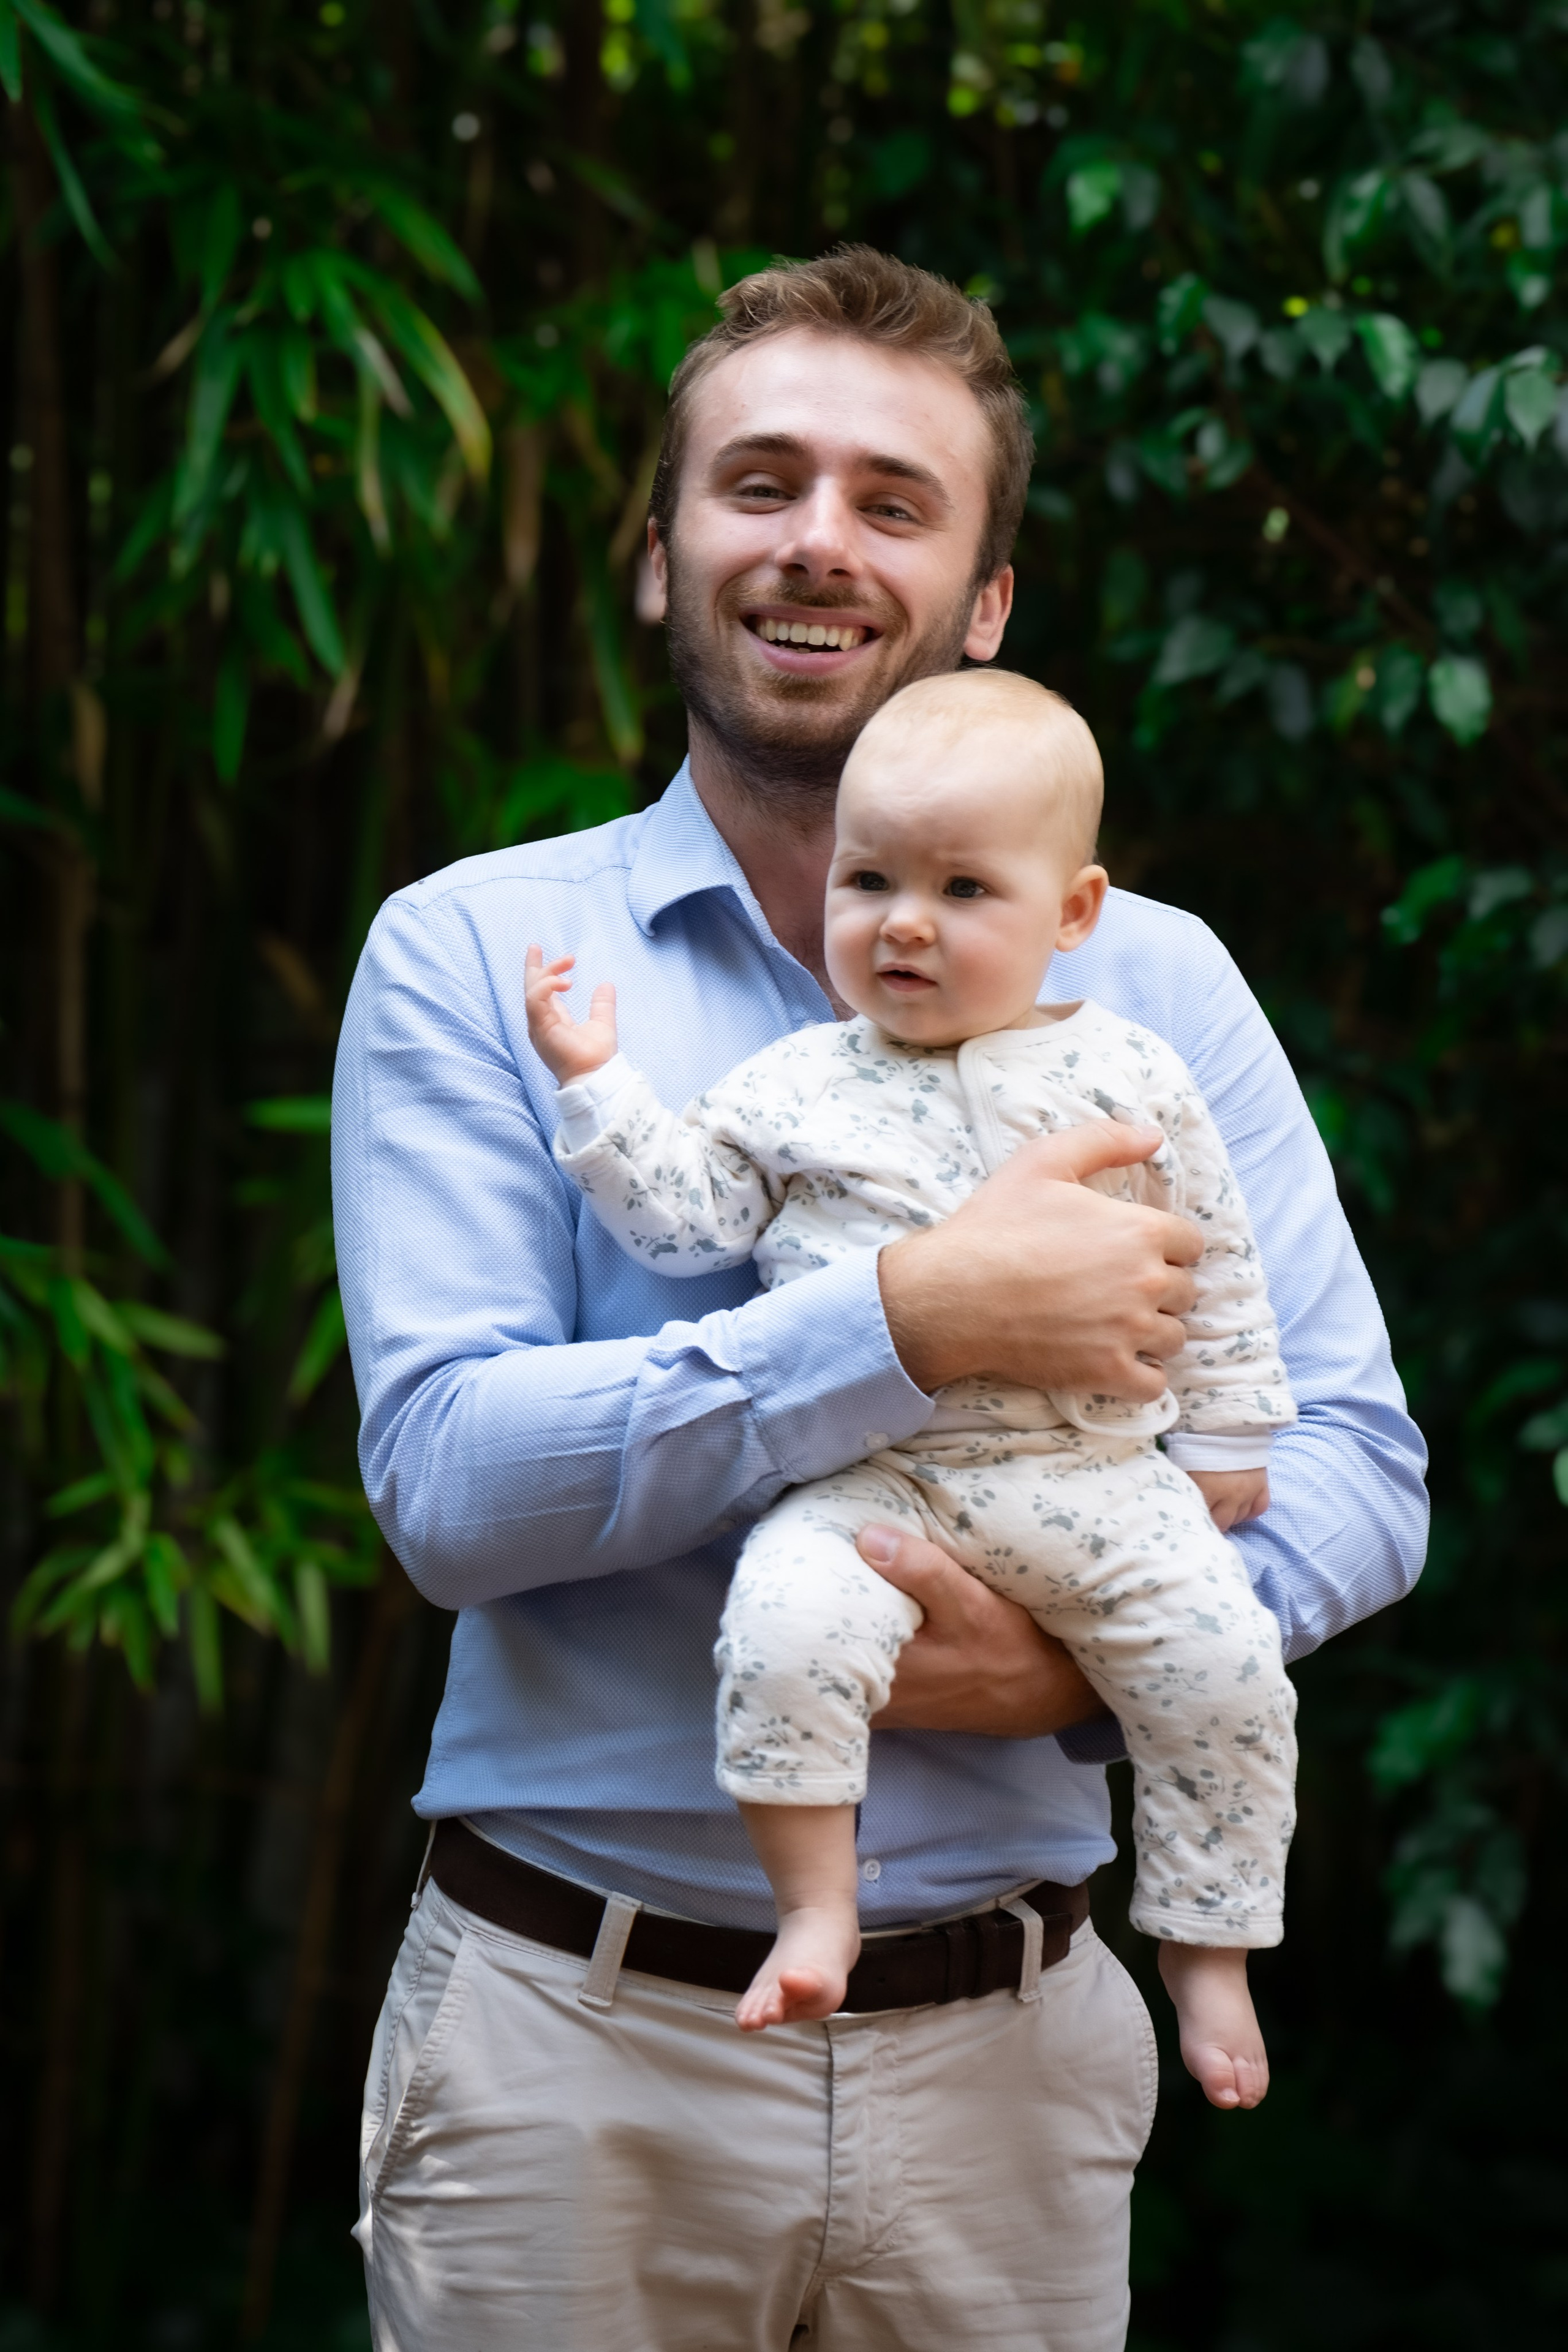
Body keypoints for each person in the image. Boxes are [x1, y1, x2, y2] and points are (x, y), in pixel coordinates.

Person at [334, 247, 1427, 2352]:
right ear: (662, 556)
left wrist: (1072, 1664)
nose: (816, 540)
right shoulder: (483, 959)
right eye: (758, 484)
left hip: (1012, 2060)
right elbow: (453, 1491)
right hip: (575, 2054)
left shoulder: (1152, 983)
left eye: (892, 502)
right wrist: (911, 1318)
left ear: (985, 601)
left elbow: (1356, 1462)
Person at [526, 668, 1297, 2109]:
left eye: (962, 889)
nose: (903, 923)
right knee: (781, 1623)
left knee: (1225, 1669)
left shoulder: (1130, 1070)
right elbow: (684, 1219)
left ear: (1073, 911)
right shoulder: (797, 1080)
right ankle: (813, 1907)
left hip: (1096, 1479)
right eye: (869, 879)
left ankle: (1207, 1947)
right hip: (873, 1479)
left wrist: (1228, 1428)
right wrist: (595, 1086)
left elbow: (1212, 1255)